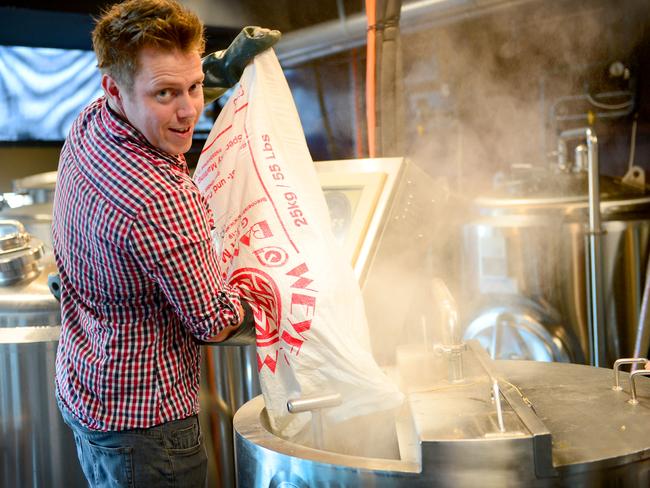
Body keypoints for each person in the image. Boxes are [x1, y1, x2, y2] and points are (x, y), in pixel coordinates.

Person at [52, 1, 279, 485]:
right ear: (114, 88)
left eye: (195, 86)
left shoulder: (91, 121)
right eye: (165, 94)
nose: (189, 111)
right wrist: (292, 301)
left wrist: (218, 70)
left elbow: (162, 91)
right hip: (148, 430)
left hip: (86, 389)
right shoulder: (162, 197)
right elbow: (212, 321)